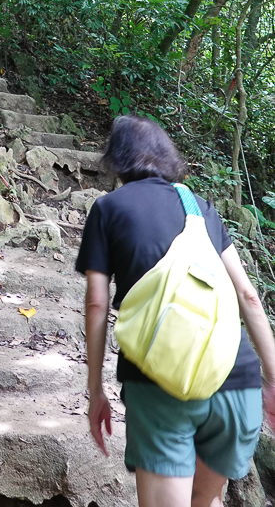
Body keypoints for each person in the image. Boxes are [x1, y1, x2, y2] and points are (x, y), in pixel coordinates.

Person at [75, 114, 275, 507]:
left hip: (160, 382)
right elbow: (249, 296)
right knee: (205, 500)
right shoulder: (199, 207)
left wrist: (95, 390)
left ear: (118, 160)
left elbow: (97, 303)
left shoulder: (108, 208)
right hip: (235, 381)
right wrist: (273, 380)